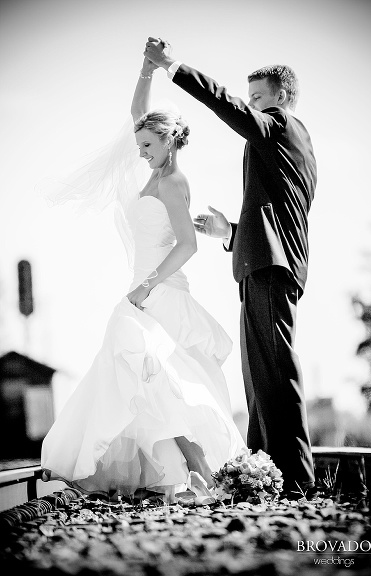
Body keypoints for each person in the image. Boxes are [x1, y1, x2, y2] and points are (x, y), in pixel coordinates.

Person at [41, 55, 246, 504]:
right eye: (140, 146)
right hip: (144, 292)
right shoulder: (153, 168)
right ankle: (179, 477)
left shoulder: (173, 181)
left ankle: (204, 477)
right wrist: (147, 69)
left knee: (163, 383)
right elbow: (139, 115)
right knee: (148, 384)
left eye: (148, 146)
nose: (141, 153)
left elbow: (188, 246)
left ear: (169, 142)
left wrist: (148, 284)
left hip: (161, 293)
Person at [144, 38, 316, 499]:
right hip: (262, 263)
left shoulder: (282, 127)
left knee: (276, 374)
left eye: (259, 98)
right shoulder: (285, 144)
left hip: (271, 269)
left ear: (280, 97)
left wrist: (171, 66)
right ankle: (268, 474)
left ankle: (295, 481)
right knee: (259, 377)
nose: (253, 107)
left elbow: (226, 103)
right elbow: (277, 214)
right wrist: (230, 232)